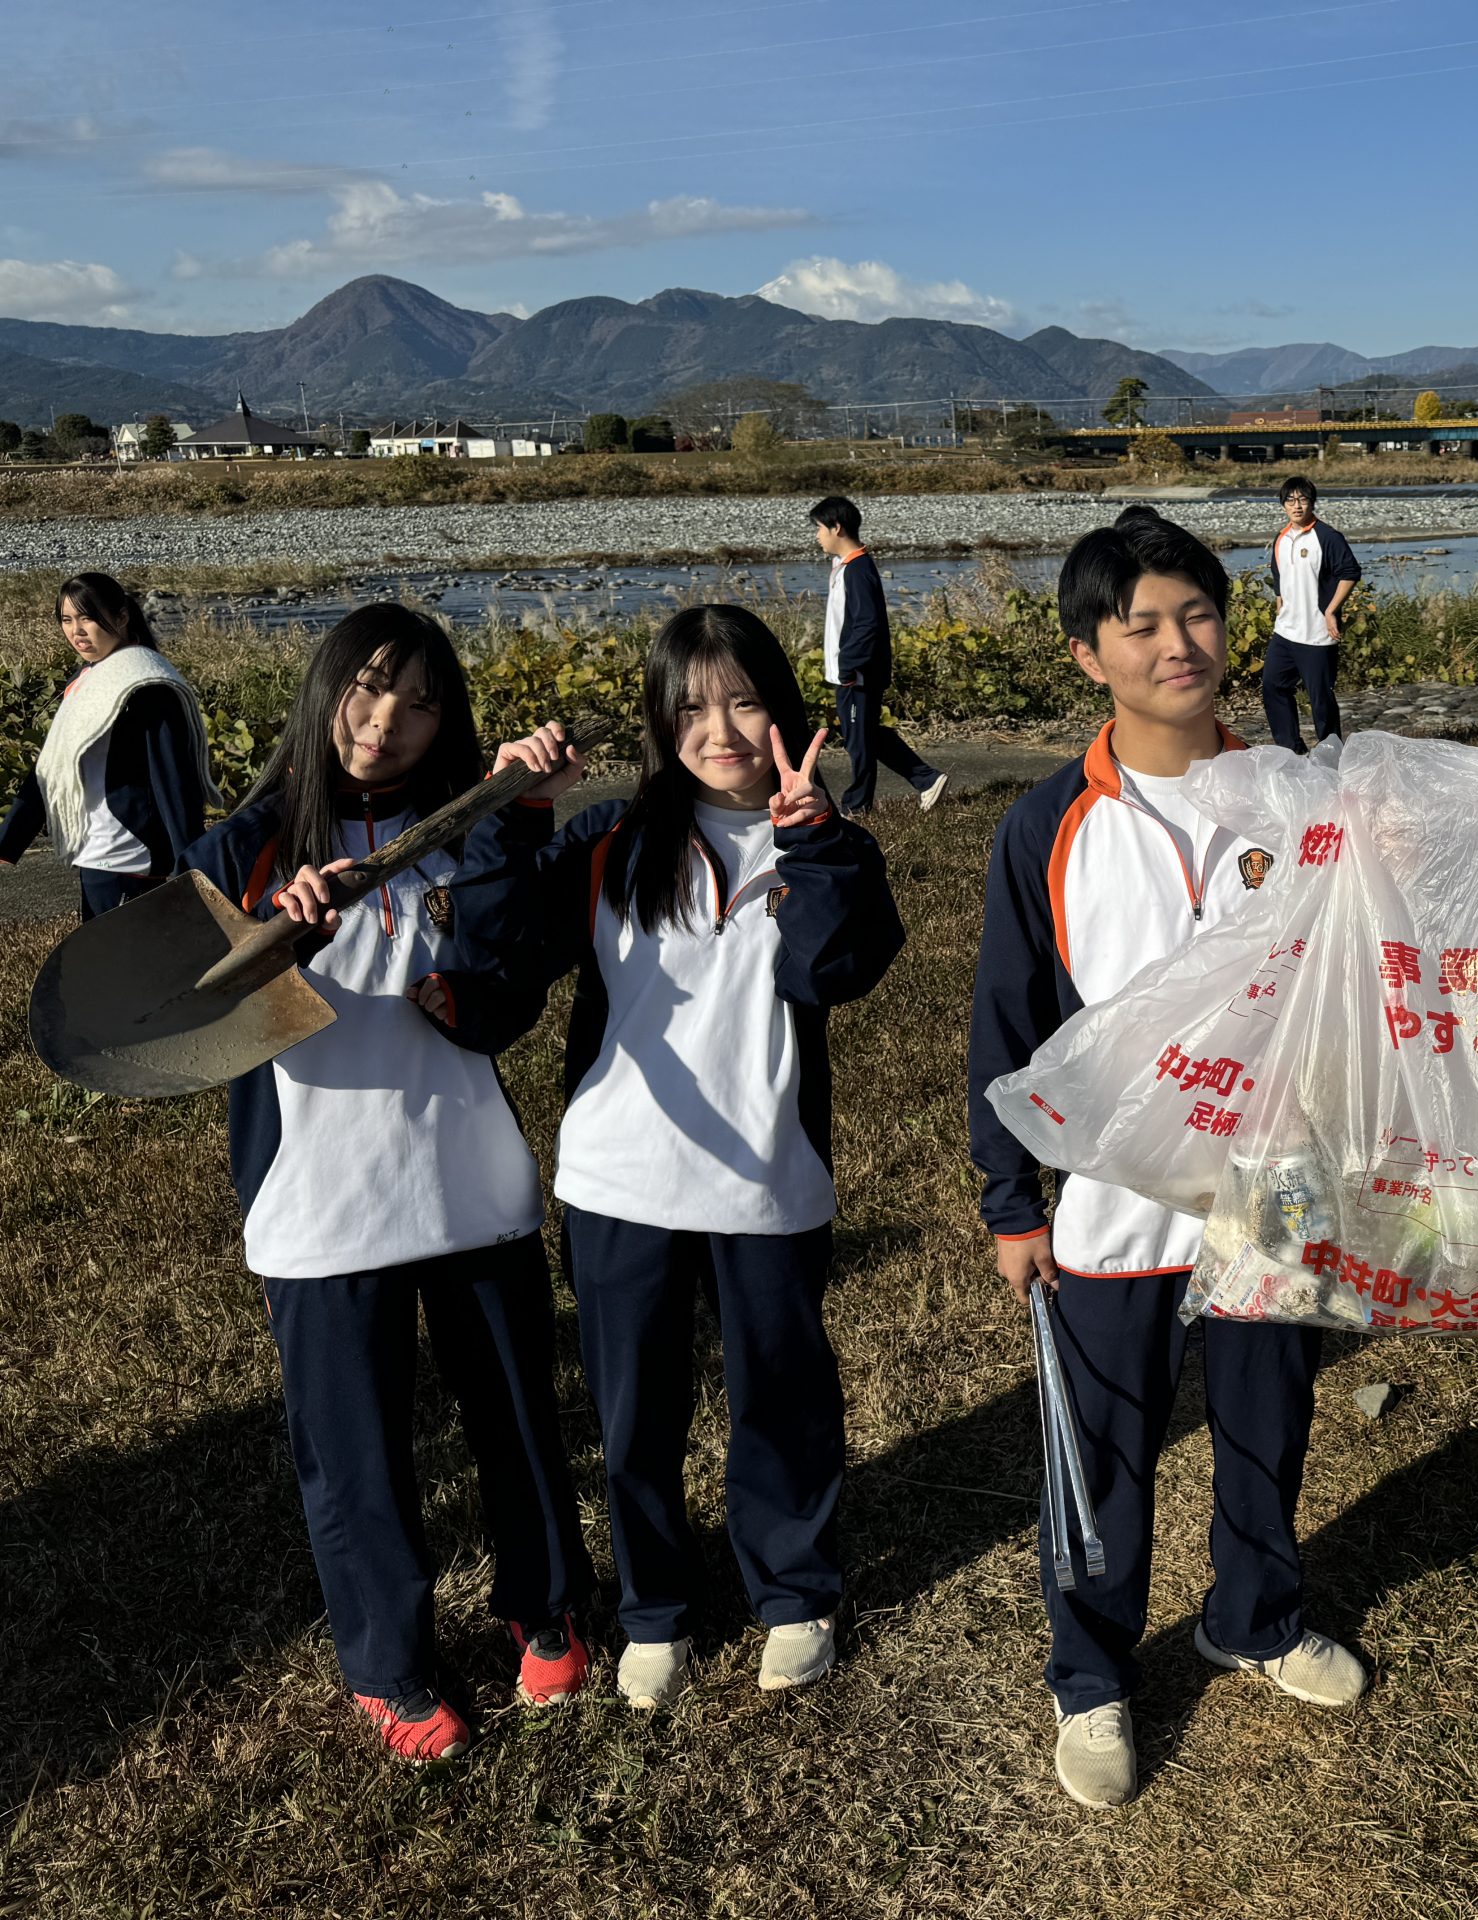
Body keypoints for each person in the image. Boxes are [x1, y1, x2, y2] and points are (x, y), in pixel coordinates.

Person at [967, 505, 1369, 1812]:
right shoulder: (1050, 826)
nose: (1175, 645)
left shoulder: (1297, 799)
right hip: (1111, 1205)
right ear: (1090, 653)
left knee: (1266, 1420)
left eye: (1196, 613)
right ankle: (1090, 1668)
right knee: (1105, 1441)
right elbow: (1009, 1017)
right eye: (1138, 625)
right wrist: (1006, 1196)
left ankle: (1252, 1613)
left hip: (1269, 1192)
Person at [450, 606, 905, 1710]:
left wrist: (815, 841)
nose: (722, 729)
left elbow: (837, 969)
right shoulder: (612, 839)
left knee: (783, 1400)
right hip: (622, 1179)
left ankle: (792, 1594)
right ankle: (654, 1606)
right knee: (633, 1409)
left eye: (745, 700)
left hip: (768, 1176)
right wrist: (511, 821)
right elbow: (497, 944)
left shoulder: (824, 846)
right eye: (693, 705)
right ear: (662, 718)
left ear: (786, 712)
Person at [176, 604, 594, 1764]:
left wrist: (522, 816)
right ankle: (388, 1662)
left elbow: (511, 982)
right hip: (317, 1204)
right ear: (324, 691)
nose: (386, 720)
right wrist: (274, 932)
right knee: (355, 1450)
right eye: (366, 687)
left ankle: (545, 1604)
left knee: (514, 1418)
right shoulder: (242, 850)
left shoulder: (467, 831)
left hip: (468, 1179)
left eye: (419, 701)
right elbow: (186, 1019)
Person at [0, 572, 214, 917]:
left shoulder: (146, 683)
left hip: (133, 854)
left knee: (135, 966)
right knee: (102, 963)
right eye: (67, 620)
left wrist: (190, 864)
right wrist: (9, 840)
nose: (76, 631)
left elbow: (173, 779)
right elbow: (55, 765)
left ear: (122, 617)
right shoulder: (87, 677)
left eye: (88, 617)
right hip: (94, 849)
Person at [809, 495, 950, 813]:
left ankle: (857, 807)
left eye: (819, 528)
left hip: (857, 675)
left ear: (837, 528)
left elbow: (868, 624)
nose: (817, 536)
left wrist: (848, 665)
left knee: (858, 742)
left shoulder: (858, 570)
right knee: (863, 733)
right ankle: (927, 779)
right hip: (850, 673)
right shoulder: (846, 565)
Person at [1263, 475, 1362, 751]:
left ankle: (1331, 754)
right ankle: (1291, 748)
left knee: (1320, 699)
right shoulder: (1281, 538)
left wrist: (1331, 610)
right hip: (1285, 632)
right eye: (1290, 500)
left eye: (1302, 499)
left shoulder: (1327, 537)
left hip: (1317, 634)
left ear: (1312, 502)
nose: (1297, 506)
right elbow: (1278, 573)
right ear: (1283, 505)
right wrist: (1280, 601)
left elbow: (1350, 572)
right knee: (1274, 686)